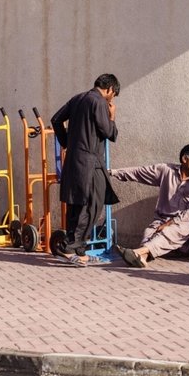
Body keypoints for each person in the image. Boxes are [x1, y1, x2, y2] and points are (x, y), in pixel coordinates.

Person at [51, 74, 120, 267]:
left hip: (74, 160)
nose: (111, 100)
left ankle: (79, 250)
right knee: (91, 204)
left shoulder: (78, 98)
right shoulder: (98, 102)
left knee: (78, 204)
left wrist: (66, 142)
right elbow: (108, 132)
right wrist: (112, 117)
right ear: (110, 89)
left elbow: (56, 119)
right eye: (113, 96)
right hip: (90, 161)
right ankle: (68, 247)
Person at [111, 144, 189, 268]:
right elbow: (139, 172)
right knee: (148, 232)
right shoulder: (166, 170)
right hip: (161, 220)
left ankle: (137, 252)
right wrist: (113, 172)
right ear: (184, 159)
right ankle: (142, 258)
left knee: (169, 231)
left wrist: (171, 222)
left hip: (185, 223)